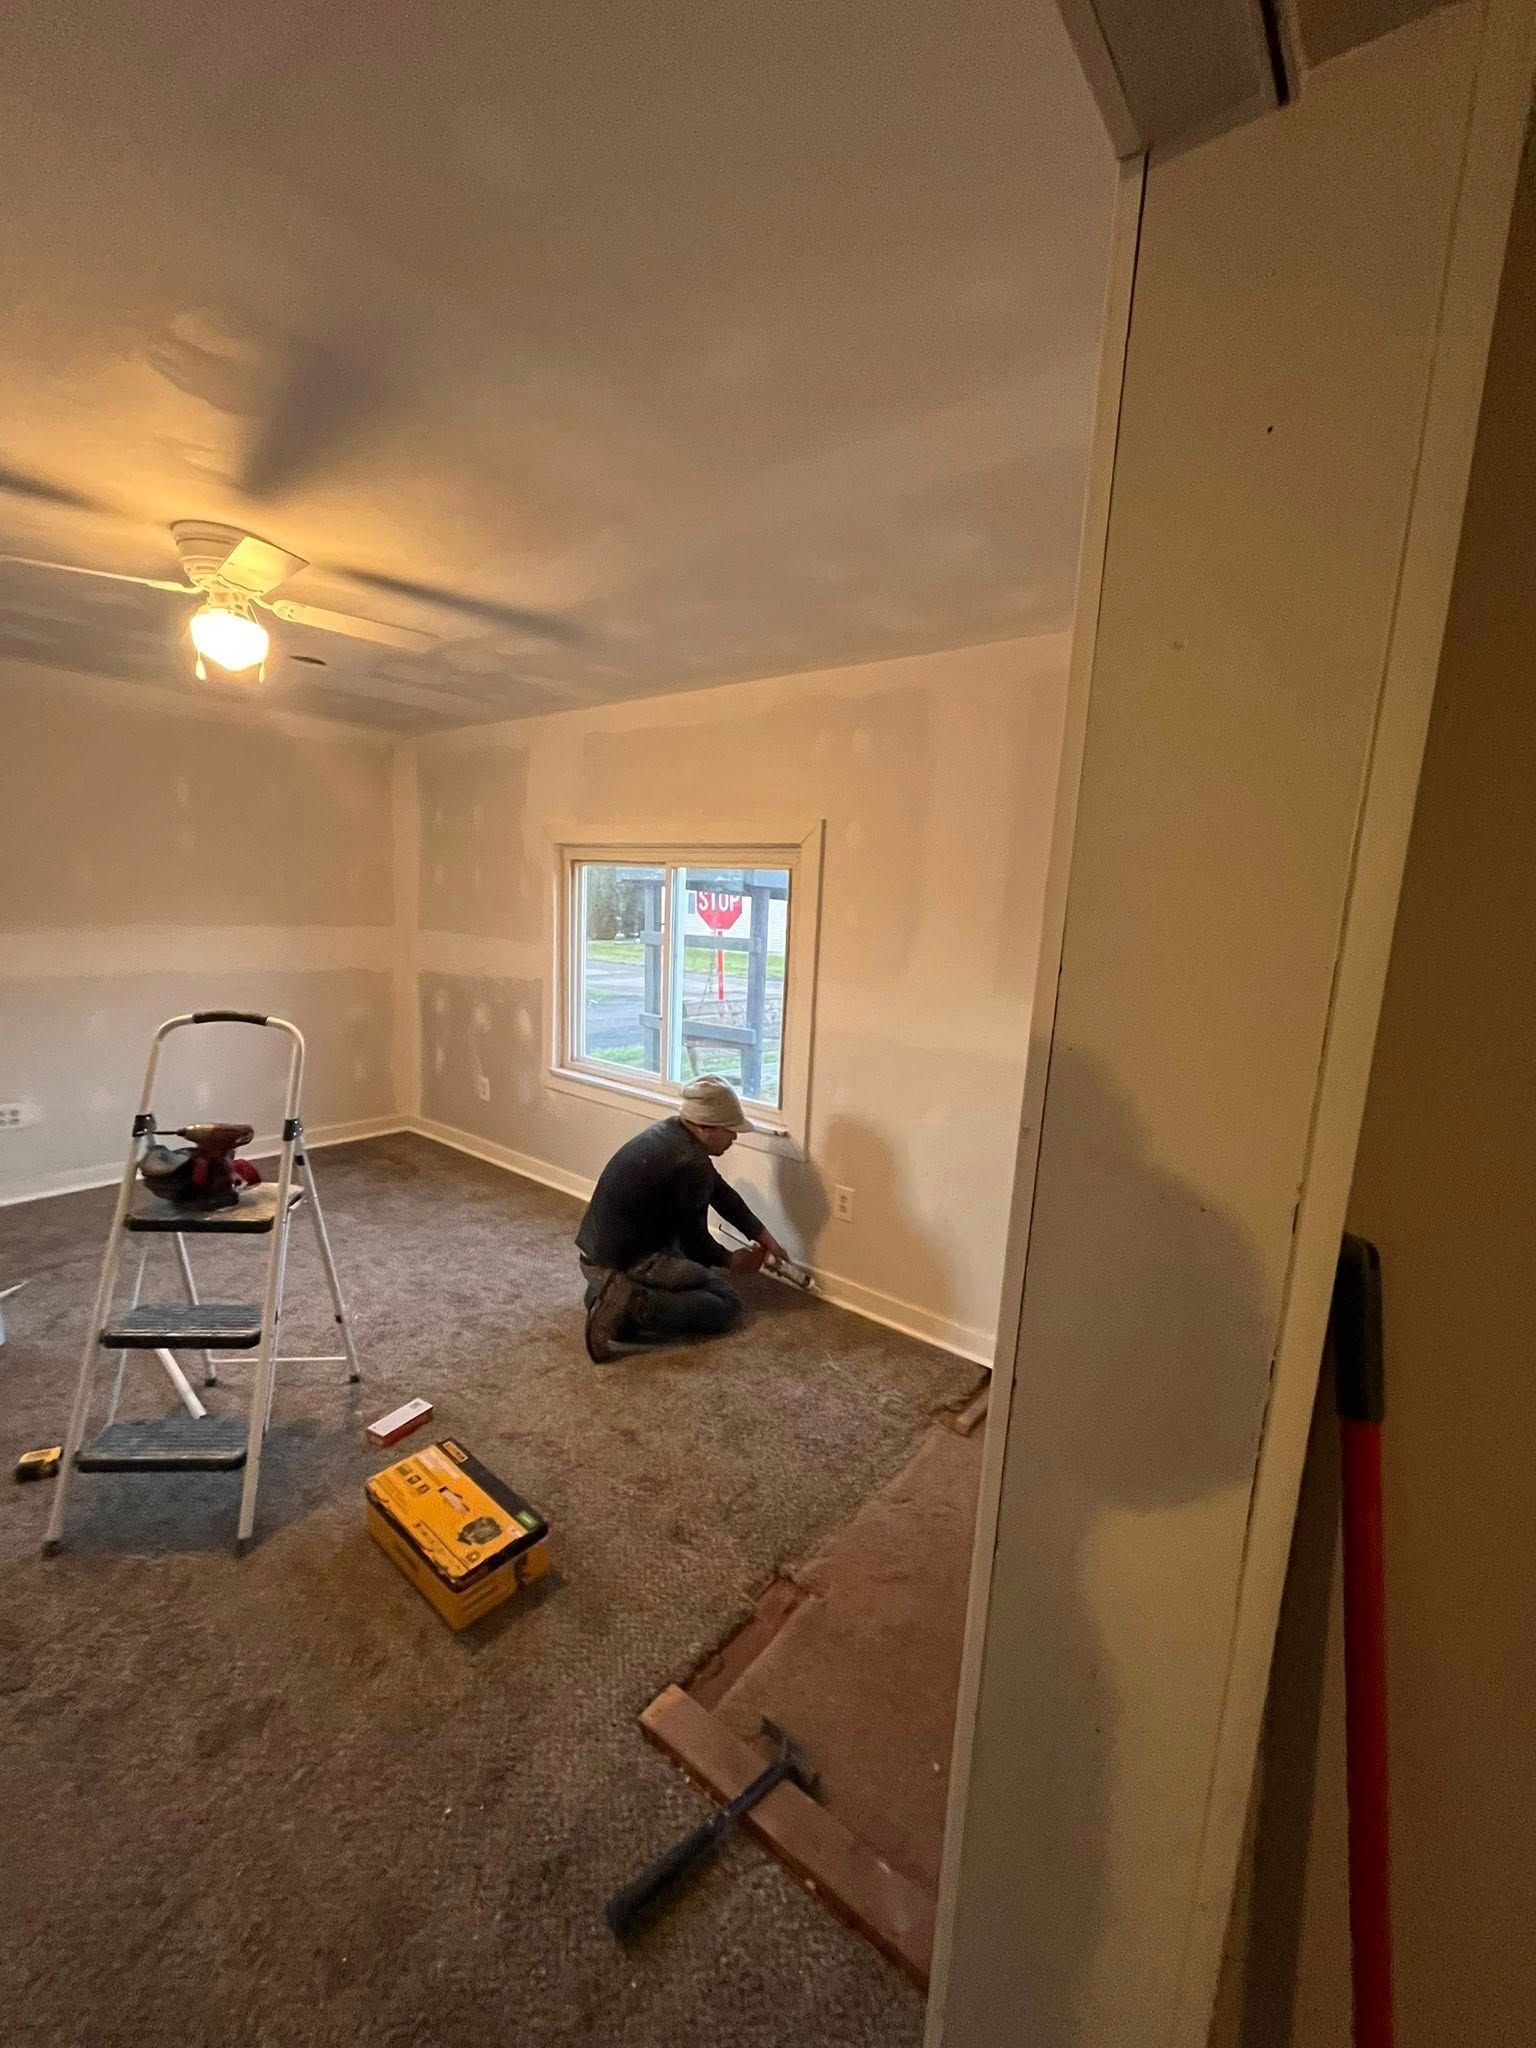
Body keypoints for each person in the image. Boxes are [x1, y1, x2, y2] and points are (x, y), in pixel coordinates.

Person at [575, 1075, 790, 1362]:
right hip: (634, 1257)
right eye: (729, 1130)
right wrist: (731, 1261)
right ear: (704, 1128)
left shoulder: (673, 1133)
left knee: (695, 1274)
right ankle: (634, 1304)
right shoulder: (692, 1163)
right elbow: (695, 1242)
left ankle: (603, 1295)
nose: (735, 1137)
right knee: (726, 1302)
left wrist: (766, 1238)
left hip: (593, 1254)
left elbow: (721, 1193)